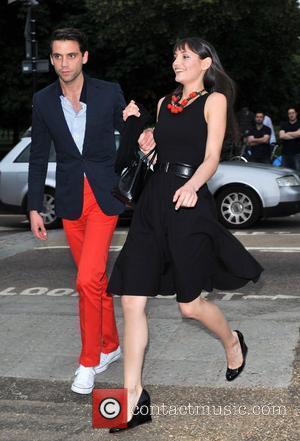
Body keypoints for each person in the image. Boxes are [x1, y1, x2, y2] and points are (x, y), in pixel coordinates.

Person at [107, 37, 263, 432]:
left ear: (204, 62)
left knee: (189, 306)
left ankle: (232, 342)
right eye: (175, 56)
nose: (176, 62)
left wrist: (194, 185)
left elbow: (211, 156)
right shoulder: (164, 104)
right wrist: (146, 141)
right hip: (153, 204)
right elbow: (161, 152)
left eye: (185, 56)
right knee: (130, 300)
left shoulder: (214, 101)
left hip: (189, 205)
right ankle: (133, 397)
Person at [27, 28, 152, 395]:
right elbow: (38, 156)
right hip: (68, 199)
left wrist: (137, 121)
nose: (64, 63)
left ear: (84, 57)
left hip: (103, 196)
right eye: (57, 56)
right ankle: (111, 345)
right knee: (94, 282)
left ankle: (88, 361)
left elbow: (127, 132)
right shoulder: (43, 100)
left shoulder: (107, 91)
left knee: (86, 279)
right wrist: (35, 206)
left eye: (71, 55)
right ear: (52, 60)